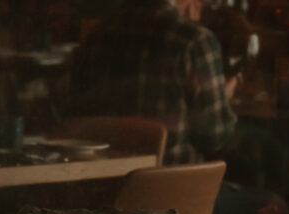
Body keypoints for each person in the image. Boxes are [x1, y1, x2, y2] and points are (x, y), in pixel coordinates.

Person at [69, 0, 238, 165]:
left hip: (106, 180)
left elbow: (74, 116)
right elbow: (213, 137)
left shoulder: (96, 35)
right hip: (173, 182)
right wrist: (223, 96)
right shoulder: (195, 39)